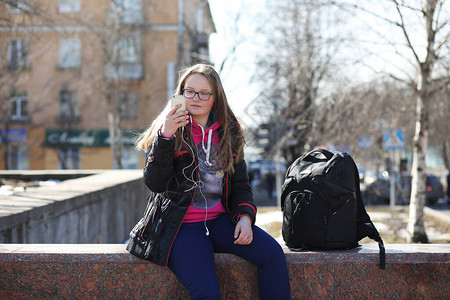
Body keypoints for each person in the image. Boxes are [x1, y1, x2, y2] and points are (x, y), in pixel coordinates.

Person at [126, 63, 291, 299]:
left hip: (219, 221)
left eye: (204, 93)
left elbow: (240, 186)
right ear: (180, 94)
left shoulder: (229, 134)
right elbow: (155, 184)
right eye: (190, 91)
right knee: (207, 293)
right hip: (180, 225)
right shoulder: (169, 131)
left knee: (273, 255)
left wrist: (244, 217)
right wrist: (166, 136)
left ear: (216, 98)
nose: (196, 98)